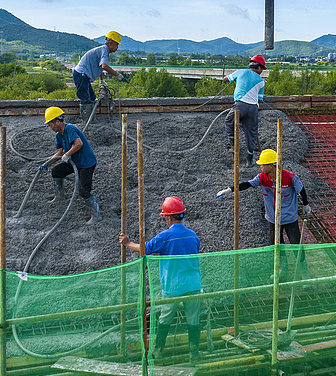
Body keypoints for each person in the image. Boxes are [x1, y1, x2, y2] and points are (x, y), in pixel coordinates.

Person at [120, 197, 202, 361]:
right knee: (194, 319)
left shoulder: (165, 236)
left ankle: (159, 351)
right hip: (193, 283)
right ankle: (194, 353)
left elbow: (145, 249)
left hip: (173, 286)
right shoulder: (193, 236)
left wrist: (128, 243)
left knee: (165, 319)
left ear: (169, 217)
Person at [217, 149, 311, 273]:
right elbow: (248, 184)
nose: (260, 166)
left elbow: (301, 190)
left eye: (263, 164)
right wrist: (230, 189)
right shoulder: (262, 177)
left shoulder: (289, 177)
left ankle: (304, 271)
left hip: (289, 218)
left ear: (271, 166)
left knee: (296, 245)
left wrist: (305, 205)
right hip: (272, 218)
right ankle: (282, 269)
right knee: (276, 245)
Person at [39, 106, 100, 221]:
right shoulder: (59, 135)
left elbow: (78, 144)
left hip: (86, 163)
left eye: (50, 125)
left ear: (57, 122)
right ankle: (60, 196)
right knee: (57, 171)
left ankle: (96, 215)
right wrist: (46, 165)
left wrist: (67, 155)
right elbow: (58, 153)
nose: (50, 128)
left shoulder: (70, 129)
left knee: (83, 190)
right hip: (74, 161)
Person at [222, 55, 266, 164]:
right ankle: (249, 159)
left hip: (240, 105)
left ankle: (233, 147)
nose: (262, 72)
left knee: (229, 121)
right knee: (251, 133)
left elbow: (225, 79)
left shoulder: (240, 72)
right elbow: (259, 98)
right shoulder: (261, 81)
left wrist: (228, 79)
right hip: (253, 108)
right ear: (259, 68)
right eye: (262, 69)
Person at [73, 31, 124, 120]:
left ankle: (91, 119)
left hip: (83, 76)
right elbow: (104, 66)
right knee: (85, 100)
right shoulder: (104, 50)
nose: (117, 48)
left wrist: (101, 80)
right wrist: (117, 74)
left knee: (92, 98)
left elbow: (99, 67)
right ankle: (86, 121)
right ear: (111, 43)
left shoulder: (102, 50)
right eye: (117, 45)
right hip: (81, 75)